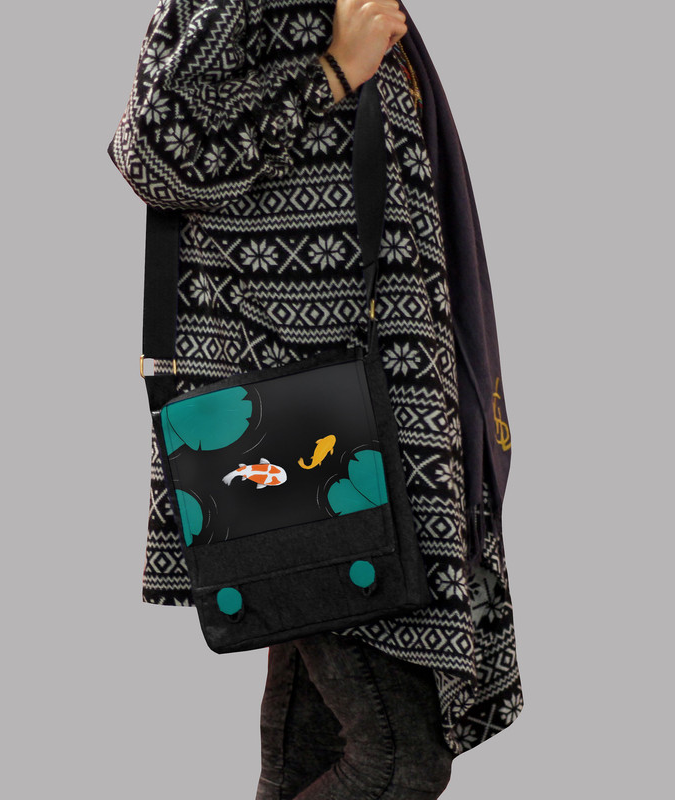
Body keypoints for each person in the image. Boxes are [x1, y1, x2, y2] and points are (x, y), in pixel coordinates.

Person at [107, 0, 524, 796]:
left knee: (308, 759)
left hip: (351, 425)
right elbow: (156, 148)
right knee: (399, 763)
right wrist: (333, 73)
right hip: (311, 440)